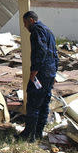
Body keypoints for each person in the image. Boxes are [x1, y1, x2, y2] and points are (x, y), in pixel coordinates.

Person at [17, 11, 59, 142]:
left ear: (31, 20)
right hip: (50, 72)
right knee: (44, 103)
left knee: (34, 103)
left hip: (41, 73)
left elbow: (40, 52)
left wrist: (34, 71)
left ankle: (29, 135)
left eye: (25, 23)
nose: (25, 26)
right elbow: (55, 54)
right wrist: (54, 73)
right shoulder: (48, 31)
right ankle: (39, 133)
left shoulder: (36, 31)